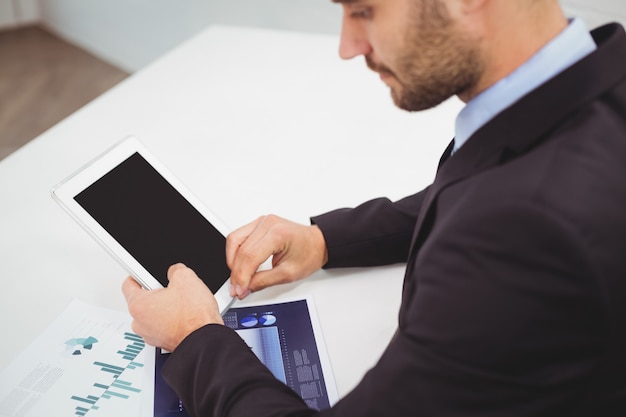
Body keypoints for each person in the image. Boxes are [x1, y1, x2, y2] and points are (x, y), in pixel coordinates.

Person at [122, 0, 626, 415]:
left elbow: (508, 212)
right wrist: (326, 241)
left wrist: (194, 339)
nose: (347, 47)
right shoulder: (592, 99)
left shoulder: (521, 228)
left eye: (364, 11)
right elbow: (496, 182)